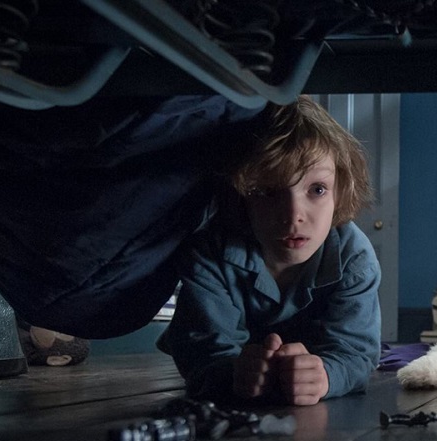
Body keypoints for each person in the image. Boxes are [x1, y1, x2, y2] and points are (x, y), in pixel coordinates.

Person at [156, 95, 381, 406]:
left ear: (339, 193)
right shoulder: (209, 253)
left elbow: (356, 353)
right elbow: (200, 353)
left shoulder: (354, 257)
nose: (293, 215)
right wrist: (233, 373)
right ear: (242, 195)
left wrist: (326, 376)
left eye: (317, 189)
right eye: (267, 191)